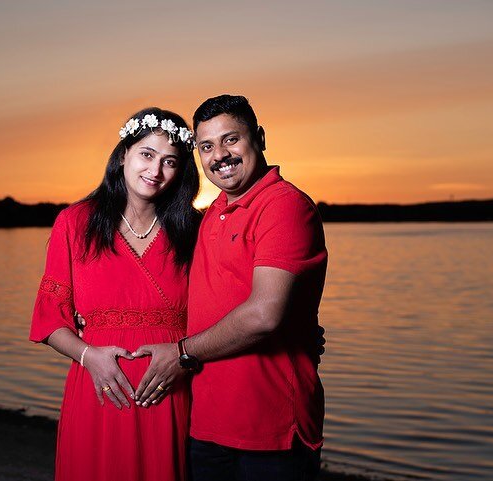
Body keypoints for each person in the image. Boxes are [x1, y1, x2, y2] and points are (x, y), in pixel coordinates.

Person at [132, 94, 328, 481]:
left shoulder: (284, 206)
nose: (220, 155)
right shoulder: (210, 217)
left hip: (269, 432)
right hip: (206, 425)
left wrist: (182, 353)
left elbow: (264, 315)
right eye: (206, 146)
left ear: (260, 137)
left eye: (231, 139)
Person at [28, 107, 201, 481]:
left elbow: (224, 311)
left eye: (170, 161)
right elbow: (49, 321)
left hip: (170, 392)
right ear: (124, 154)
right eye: (146, 154)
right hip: (100, 393)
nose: (155, 171)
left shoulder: (194, 229)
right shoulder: (75, 222)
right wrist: (89, 356)